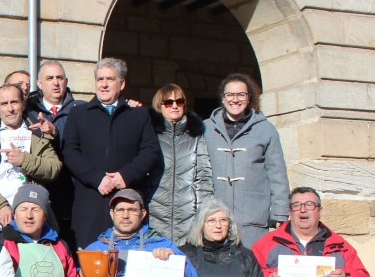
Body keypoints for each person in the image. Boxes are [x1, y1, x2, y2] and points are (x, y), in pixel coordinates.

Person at [62, 57, 161, 249]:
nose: (104, 84)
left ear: (122, 84)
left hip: (127, 201)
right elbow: (69, 152)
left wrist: (126, 175)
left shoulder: (138, 114)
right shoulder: (78, 114)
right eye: (100, 79)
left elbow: (150, 151)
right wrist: (97, 178)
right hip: (90, 203)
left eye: (110, 79)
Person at [204, 73, 290, 247]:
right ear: (223, 98)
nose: (235, 100)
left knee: (252, 261)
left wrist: (280, 213)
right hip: (214, 215)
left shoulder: (266, 130)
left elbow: (277, 174)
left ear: (249, 97)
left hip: (253, 215)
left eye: (241, 94)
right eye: (230, 94)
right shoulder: (206, 128)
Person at [0, 83, 62, 231]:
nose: (10, 108)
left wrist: (24, 160)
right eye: (4, 104)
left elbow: (53, 168)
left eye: (14, 102)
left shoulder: (38, 132)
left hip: (32, 216)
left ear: (23, 104)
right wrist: (0, 206)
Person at [147, 84, 213, 245]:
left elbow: (204, 176)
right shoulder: (149, 133)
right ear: (159, 105)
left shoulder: (195, 136)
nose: (175, 106)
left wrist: (204, 213)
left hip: (188, 218)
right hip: (154, 216)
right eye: (169, 102)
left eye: (179, 101)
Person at [27, 60, 78, 247]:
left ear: (66, 81)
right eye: (49, 78)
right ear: (39, 84)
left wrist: (55, 133)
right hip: (40, 193)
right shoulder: (28, 111)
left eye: (59, 78)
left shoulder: (81, 109)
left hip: (72, 193)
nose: (55, 83)